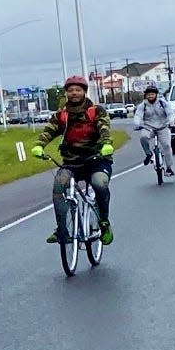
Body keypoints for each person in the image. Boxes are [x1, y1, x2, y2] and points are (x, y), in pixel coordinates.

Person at [30, 75, 115, 245]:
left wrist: (106, 144)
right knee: (58, 186)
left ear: (84, 91)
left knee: (99, 183)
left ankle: (104, 222)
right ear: (66, 93)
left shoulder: (96, 111)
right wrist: (39, 145)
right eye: (70, 90)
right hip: (71, 162)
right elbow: (48, 131)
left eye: (78, 90)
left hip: (96, 159)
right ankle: (62, 230)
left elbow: (104, 127)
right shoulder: (62, 116)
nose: (74, 93)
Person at [133, 85, 175, 176]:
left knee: (167, 146)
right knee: (143, 137)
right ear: (145, 96)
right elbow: (138, 116)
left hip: (163, 127)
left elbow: (170, 113)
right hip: (148, 128)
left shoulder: (163, 103)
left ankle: (169, 168)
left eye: (152, 94)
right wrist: (137, 124)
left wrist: (171, 122)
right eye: (148, 94)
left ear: (156, 95)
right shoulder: (142, 106)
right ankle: (148, 154)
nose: (150, 96)